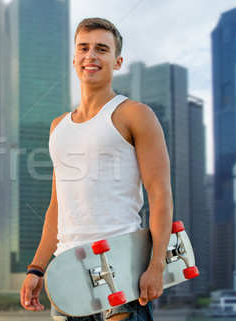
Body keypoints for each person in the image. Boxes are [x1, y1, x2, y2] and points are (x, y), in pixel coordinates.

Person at [19, 18, 173, 321]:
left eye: (102, 49)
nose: (91, 56)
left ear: (117, 62)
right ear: (74, 59)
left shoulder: (135, 114)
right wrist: (37, 268)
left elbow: (160, 195)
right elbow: (57, 207)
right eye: (84, 48)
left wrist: (157, 266)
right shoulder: (57, 127)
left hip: (122, 274)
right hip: (66, 278)